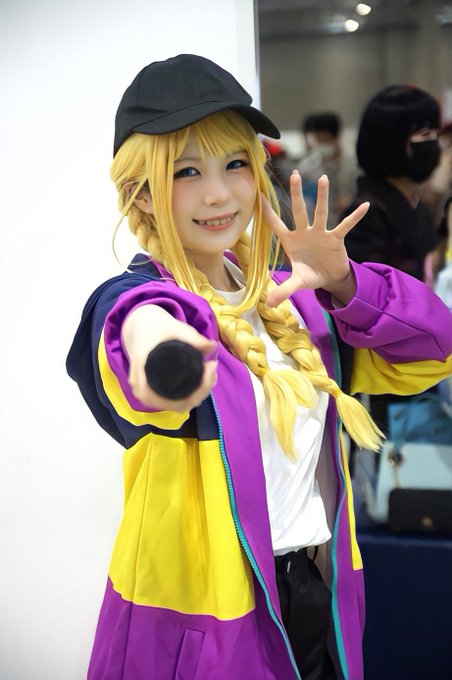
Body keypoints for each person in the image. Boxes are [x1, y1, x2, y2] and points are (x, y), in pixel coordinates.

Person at [66, 55, 452, 680]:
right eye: (187, 171)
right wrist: (166, 360)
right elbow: (138, 332)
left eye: (235, 164)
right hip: (204, 628)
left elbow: (433, 351)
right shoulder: (142, 302)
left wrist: (348, 284)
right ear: (141, 192)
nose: (219, 194)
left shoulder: (298, 302)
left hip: (318, 597)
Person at [298, 113, 357, 228]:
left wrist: (352, 201)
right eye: (318, 140)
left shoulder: (353, 165)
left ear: (336, 137)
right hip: (317, 224)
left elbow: (362, 194)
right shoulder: (306, 167)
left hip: (349, 224)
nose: (322, 144)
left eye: (325, 140)